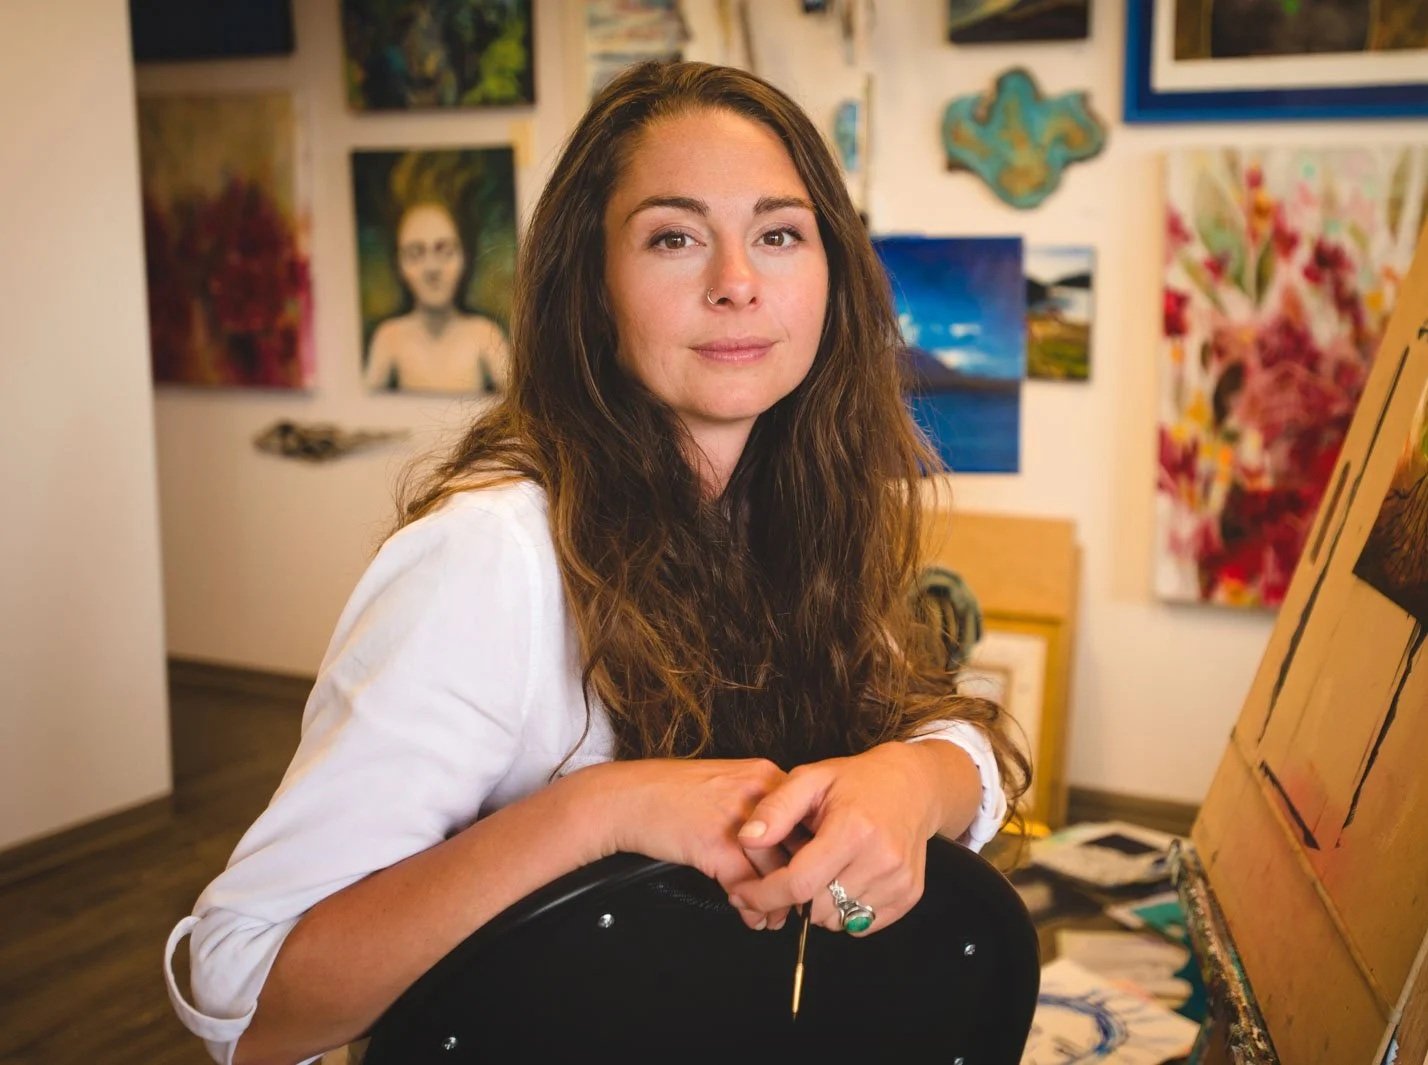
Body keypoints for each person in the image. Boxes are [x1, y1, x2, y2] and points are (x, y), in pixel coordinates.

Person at [164, 60, 1029, 1065]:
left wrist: (915, 782)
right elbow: (247, 993)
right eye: (674, 237)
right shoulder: (489, 558)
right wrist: (597, 812)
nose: (737, 282)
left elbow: (951, 732)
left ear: (833, 278)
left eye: (779, 234)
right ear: (593, 285)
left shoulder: (796, 508)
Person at [363, 199, 512, 394]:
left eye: (445, 251)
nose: (432, 268)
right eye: (416, 254)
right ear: (398, 264)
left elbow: (518, 407)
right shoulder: (389, 337)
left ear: (465, 258)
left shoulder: (485, 334)